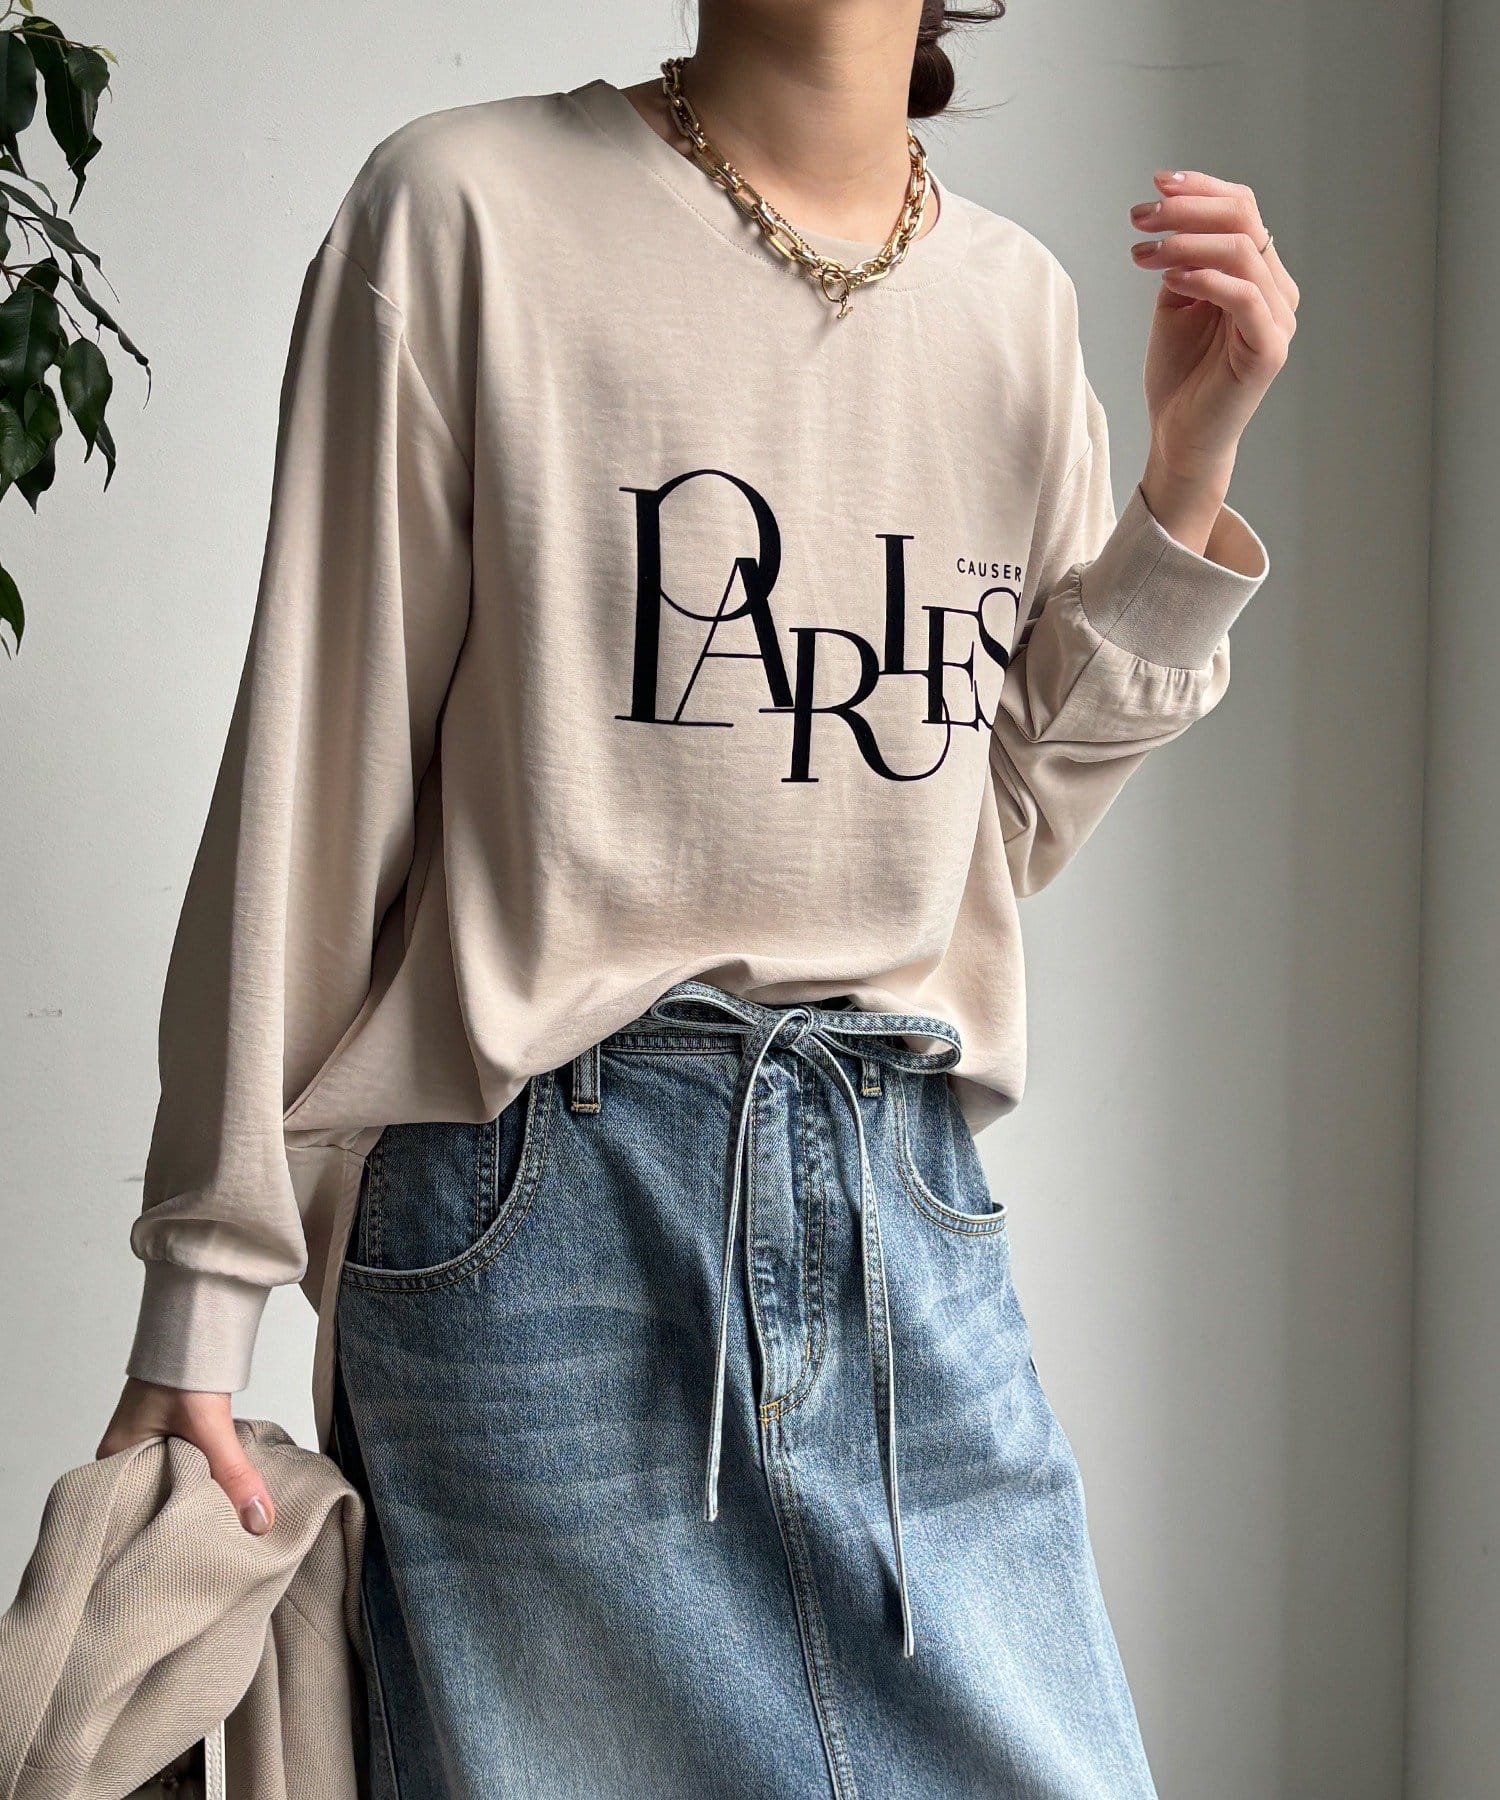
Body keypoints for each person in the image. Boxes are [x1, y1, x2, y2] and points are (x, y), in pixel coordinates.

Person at [98, 2, 1295, 1793]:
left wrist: (1185, 478)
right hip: (534, 1222)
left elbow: (982, 837)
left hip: (901, 1208)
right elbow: (312, 782)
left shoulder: (1015, 308)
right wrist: (204, 1295)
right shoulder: (466, 211)